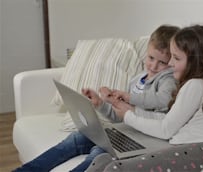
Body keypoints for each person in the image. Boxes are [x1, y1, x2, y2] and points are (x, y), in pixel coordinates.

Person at [13, 25, 179, 172]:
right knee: (75, 139)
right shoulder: (137, 79)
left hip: (140, 140)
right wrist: (101, 104)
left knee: (98, 156)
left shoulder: (167, 80)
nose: (154, 66)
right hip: (122, 131)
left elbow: (161, 100)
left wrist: (129, 97)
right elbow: (118, 117)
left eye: (162, 62)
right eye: (150, 58)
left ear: (172, 62)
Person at [86, 24, 203, 172]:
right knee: (102, 160)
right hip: (194, 147)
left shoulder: (196, 85)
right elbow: (167, 122)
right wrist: (127, 110)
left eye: (176, 58)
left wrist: (128, 116)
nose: (170, 63)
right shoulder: (197, 85)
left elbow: (165, 129)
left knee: (114, 169)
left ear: (196, 61)